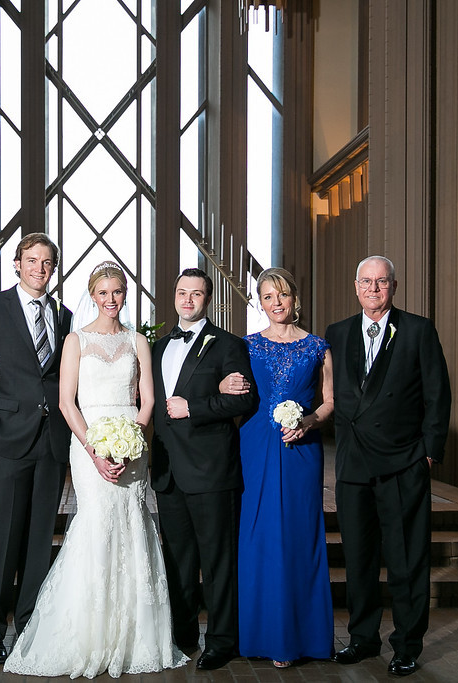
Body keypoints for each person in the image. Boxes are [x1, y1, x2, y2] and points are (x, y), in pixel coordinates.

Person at [3, 262, 188, 678]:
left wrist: (131, 441)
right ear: (92, 295)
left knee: (132, 525)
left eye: (118, 291)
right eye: (103, 292)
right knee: (97, 524)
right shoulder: (76, 340)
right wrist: (96, 450)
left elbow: (147, 402)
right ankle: (87, 633)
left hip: (131, 443)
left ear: (125, 293)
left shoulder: (138, 340)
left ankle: (133, 636)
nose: (111, 299)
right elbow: (67, 402)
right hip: (89, 442)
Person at [324, 255, 451, 677]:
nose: (373, 289)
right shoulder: (337, 334)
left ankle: (407, 645)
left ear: (394, 286)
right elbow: (329, 393)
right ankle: (362, 638)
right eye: (366, 282)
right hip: (355, 464)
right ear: (355, 286)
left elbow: (437, 394)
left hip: (403, 462)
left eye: (382, 282)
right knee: (358, 558)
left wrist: (429, 452)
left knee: (406, 559)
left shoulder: (418, 330)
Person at [219, 267, 335, 667]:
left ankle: (301, 637)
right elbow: (226, 384)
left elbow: (329, 401)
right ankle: (260, 634)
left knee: (300, 535)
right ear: (260, 302)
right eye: (267, 297)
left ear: (294, 298)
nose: (276, 303)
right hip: (255, 444)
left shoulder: (318, 346)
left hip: (302, 449)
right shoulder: (245, 345)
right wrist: (221, 387)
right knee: (259, 535)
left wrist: (308, 422)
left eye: (282, 295)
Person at [0, 233, 73, 665]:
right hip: (9, 438)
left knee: (37, 541)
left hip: (51, 442)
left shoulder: (64, 316)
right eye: (32, 261)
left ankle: (29, 626)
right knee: (4, 539)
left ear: (54, 268)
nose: (39, 269)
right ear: (16, 264)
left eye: (47, 263)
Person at [150, 267, 257, 671]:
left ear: (207, 299)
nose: (188, 299)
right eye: (182, 292)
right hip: (168, 471)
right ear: (174, 296)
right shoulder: (158, 347)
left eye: (196, 293)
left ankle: (221, 641)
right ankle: (182, 636)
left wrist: (194, 407)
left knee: (217, 561)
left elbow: (244, 401)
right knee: (178, 561)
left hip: (212, 471)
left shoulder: (228, 345)